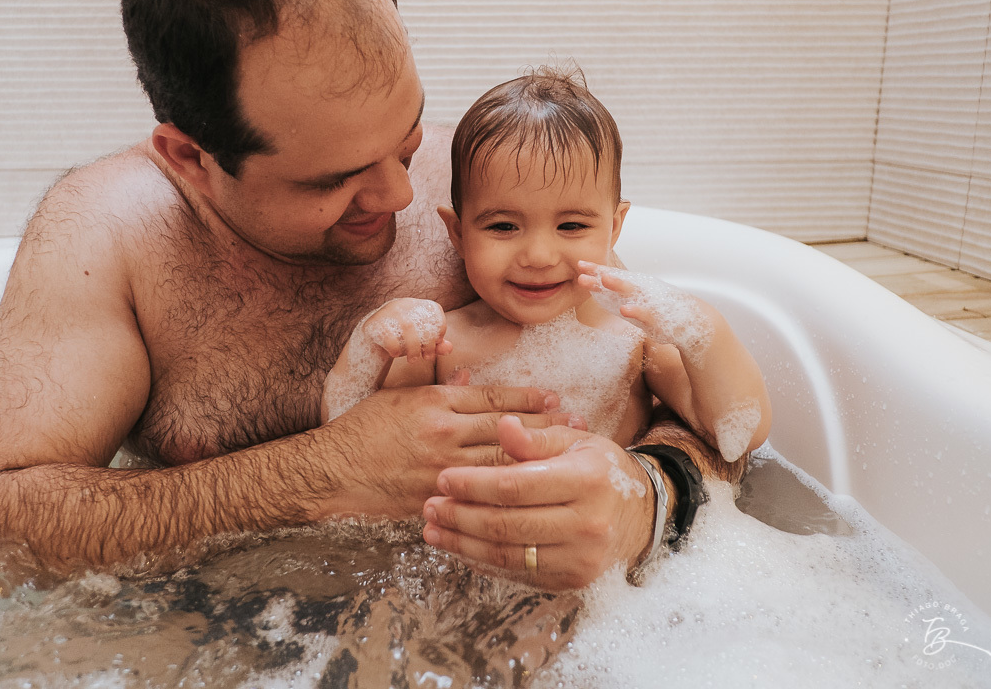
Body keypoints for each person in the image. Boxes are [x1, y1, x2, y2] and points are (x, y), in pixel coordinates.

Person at [0, 0, 748, 590]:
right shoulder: (107, 239)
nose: (402, 193)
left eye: (405, 136)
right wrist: (323, 473)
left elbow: (697, 409)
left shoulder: (488, 200)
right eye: (332, 179)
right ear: (191, 158)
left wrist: (647, 500)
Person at [322, 68, 771, 556]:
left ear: (614, 228)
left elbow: (736, 431)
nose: (538, 255)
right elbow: (351, 439)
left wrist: (702, 331)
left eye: (572, 226)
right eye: (503, 226)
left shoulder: (633, 340)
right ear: (458, 233)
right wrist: (370, 345)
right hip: (464, 550)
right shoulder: (442, 342)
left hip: (597, 557)